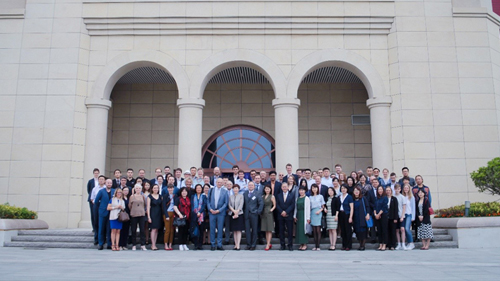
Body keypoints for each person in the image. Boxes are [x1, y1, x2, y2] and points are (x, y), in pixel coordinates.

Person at [207, 178, 228, 251]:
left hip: (220, 213)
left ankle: (219, 244)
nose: (219, 183)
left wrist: (219, 210)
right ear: (216, 182)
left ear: (222, 183)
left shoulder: (225, 191)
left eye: (221, 182)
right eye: (218, 182)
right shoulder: (211, 190)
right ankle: (212, 244)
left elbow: (226, 203)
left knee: (220, 229)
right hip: (212, 212)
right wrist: (210, 209)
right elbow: (208, 201)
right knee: (212, 228)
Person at [95, 179, 115, 250]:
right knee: (101, 228)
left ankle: (109, 244)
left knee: (109, 229)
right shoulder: (101, 191)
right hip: (103, 212)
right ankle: (101, 244)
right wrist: (102, 207)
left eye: (110, 183)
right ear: (105, 183)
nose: (109, 184)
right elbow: (96, 201)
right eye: (108, 183)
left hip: (111, 212)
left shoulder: (114, 191)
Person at [244, 181, 264, 250]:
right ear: (247, 186)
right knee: (247, 230)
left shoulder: (257, 193)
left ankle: (253, 244)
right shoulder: (245, 193)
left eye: (252, 185)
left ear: (254, 186)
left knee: (254, 230)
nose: (250, 186)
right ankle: (248, 244)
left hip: (254, 214)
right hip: (246, 214)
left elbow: (261, 203)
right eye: (249, 185)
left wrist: (258, 212)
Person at [276, 182, 295, 251]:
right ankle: (282, 245)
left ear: (288, 187)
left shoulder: (292, 195)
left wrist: (286, 212)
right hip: (280, 215)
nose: (284, 188)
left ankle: (290, 245)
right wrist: (282, 212)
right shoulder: (278, 195)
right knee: (281, 231)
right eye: (283, 187)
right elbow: (277, 205)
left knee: (290, 231)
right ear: (281, 188)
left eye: (285, 187)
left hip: (289, 215)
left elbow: (292, 205)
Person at [129, 184, 147, 251]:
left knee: (142, 230)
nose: (138, 190)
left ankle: (143, 244)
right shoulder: (132, 196)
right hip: (134, 215)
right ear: (135, 189)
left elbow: (145, 204)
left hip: (142, 214)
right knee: (133, 230)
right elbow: (129, 205)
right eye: (137, 188)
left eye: (139, 188)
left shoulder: (143, 196)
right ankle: (134, 245)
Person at [352, 186, 370, 251]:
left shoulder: (363, 198)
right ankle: (360, 244)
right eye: (355, 191)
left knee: (363, 231)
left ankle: (363, 245)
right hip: (355, 218)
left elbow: (367, 206)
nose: (356, 192)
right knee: (358, 231)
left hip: (363, 217)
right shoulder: (352, 199)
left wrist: (368, 214)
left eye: (357, 190)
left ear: (359, 191)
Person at [309, 184, 326, 251]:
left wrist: (320, 211)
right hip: (312, 213)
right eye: (313, 188)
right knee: (314, 230)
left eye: (315, 188)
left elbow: (323, 206)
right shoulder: (310, 197)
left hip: (318, 212)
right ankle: (315, 245)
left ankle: (318, 245)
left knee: (318, 229)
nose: (314, 189)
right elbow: (309, 207)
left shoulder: (320, 196)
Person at [228, 184, 244, 250]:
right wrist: (233, 211)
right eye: (234, 188)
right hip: (232, 213)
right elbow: (229, 205)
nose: (235, 189)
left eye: (236, 188)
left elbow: (241, 204)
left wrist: (237, 212)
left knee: (239, 230)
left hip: (239, 214)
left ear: (239, 189)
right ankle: (235, 244)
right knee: (234, 230)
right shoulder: (231, 196)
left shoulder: (241, 196)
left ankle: (238, 244)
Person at [90, 175, 106, 245]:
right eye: (100, 179)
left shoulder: (106, 188)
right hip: (96, 206)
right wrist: (95, 202)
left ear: (104, 181)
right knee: (96, 222)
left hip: (104, 206)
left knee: (103, 223)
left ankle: (104, 238)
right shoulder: (95, 189)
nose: (101, 180)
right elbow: (92, 198)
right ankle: (96, 238)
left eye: (102, 179)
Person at [191, 184, 207, 250]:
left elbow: (204, 205)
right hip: (194, 215)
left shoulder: (203, 196)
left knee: (201, 230)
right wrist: (195, 212)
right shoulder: (192, 196)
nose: (198, 189)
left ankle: (200, 245)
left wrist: (200, 212)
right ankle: (195, 244)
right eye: (197, 188)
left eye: (200, 188)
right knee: (195, 229)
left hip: (201, 216)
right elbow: (191, 205)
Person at [294, 186, 310, 251]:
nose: (301, 192)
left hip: (304, 215)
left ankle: (305, 244)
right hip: (298, 215)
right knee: (299, 230)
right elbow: (295, 208)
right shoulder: (297, 198)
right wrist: (294, 216)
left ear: (305, 191)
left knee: (304, 230)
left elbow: (308, 208)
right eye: (300, 190)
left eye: (302, 190)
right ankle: (301, 244)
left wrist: (308, 218)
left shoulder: (306, 198)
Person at [147, 184, 162, 251]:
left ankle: (155, 244)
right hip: (153, 214)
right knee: (153, 229)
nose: (156, 189)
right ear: (152, 189)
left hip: (159, 214)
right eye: (154, 188)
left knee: (156, 230)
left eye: (157, 188)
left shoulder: (160, 196)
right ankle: (152, 245)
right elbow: (148, 208)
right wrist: (149, 217)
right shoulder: (149, 197)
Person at [338, 184, 354, 251]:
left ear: (347, 189)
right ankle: (344, 245)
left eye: (344, 188)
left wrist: (350, 217)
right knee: (343, 230)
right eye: (342, 188)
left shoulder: (349, 197)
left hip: (347, 214)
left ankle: (348, 245)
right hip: (341, 214)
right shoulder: (339, 196)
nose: (343, 189)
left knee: (348, 230)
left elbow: (352, 208)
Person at [261, 185, 276, 251]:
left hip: (269, 213)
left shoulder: (272, 196)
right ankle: (268, 243)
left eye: (268, 189)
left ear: (270, 190)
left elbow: (274, 205)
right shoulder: (263, 196)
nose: (267, 190)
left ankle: (268, 243)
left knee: (269, 229)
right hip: (263, 213)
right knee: (266, 229)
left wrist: (271, 210)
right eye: (266, 189)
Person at [374, 185, 389, 251]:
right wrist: (375, 214)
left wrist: (379, 214)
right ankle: (380, 244)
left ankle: (384, 244)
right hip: (377, 216)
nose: (380, 190)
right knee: (379, 230)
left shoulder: (385, 198)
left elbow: (384, 207)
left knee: (384, 230)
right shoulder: (377, 198)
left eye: (381, 189)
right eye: (378, 189)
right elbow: (374, 207)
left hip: (383, 215)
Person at [162, 184, 175, 251]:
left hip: (173, 213)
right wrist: (166, 215)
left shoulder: (175, 196)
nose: (170, 189)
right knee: (167, 230)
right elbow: (163, 206)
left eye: (171, 188)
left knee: (172, 230)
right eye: (169, 188)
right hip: (167, 213)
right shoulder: (165, 196)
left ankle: (170, 244)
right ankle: (166, 244)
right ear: (167, 189)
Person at [402, 184, 415, 250]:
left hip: (409, 214)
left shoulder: (411, 197)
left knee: (407, 228)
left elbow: (413, 207)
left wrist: (413, 217)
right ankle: (408, 243)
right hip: (404, 215)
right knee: (404, 229)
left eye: (407, 188)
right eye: (405, 188)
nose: (406, 189)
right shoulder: (402, 196)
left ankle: (411, 243)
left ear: (409, 189)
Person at [386, 186, 399, 250]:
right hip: (386, 218)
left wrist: (395, 218)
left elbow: (396, 209)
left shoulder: (394, 199)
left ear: (391, 191)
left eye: (389, 190)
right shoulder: (384, 198)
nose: (388, 191)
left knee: (393, 232)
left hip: (392, 217)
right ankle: (388, 244)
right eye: (387, 190)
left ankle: (393, 245)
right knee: (387, 231)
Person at [87, 168, 99, 236]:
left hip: (99, 200)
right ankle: (94, 227)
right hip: (92, 200)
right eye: (95, 173)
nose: (96, 174)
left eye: (97, 173)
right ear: (93, 173)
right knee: (93, 214)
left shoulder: (100, 181)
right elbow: (89, 190)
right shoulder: (90, 181)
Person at [394, 184, 406, 250]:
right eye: (396, 189)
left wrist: (402, 216)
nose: (397, 190)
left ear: (400, 189)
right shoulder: (393, 196)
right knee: (397, 230)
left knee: (402, 229)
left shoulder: (402, 197)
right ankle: (398, 244)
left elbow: (404, 207)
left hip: (401, 215)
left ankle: (403, 244)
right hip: (396, 216)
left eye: (398, 189)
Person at [118, 186, 130, 250]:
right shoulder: (120, 198)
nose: (126, 192)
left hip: (127, 216)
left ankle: (124, 245)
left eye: (127, 190)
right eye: (124, 190)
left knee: (126, 231)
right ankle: (120, 244)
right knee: (121, 231)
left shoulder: (129, 198)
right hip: (121, 216)